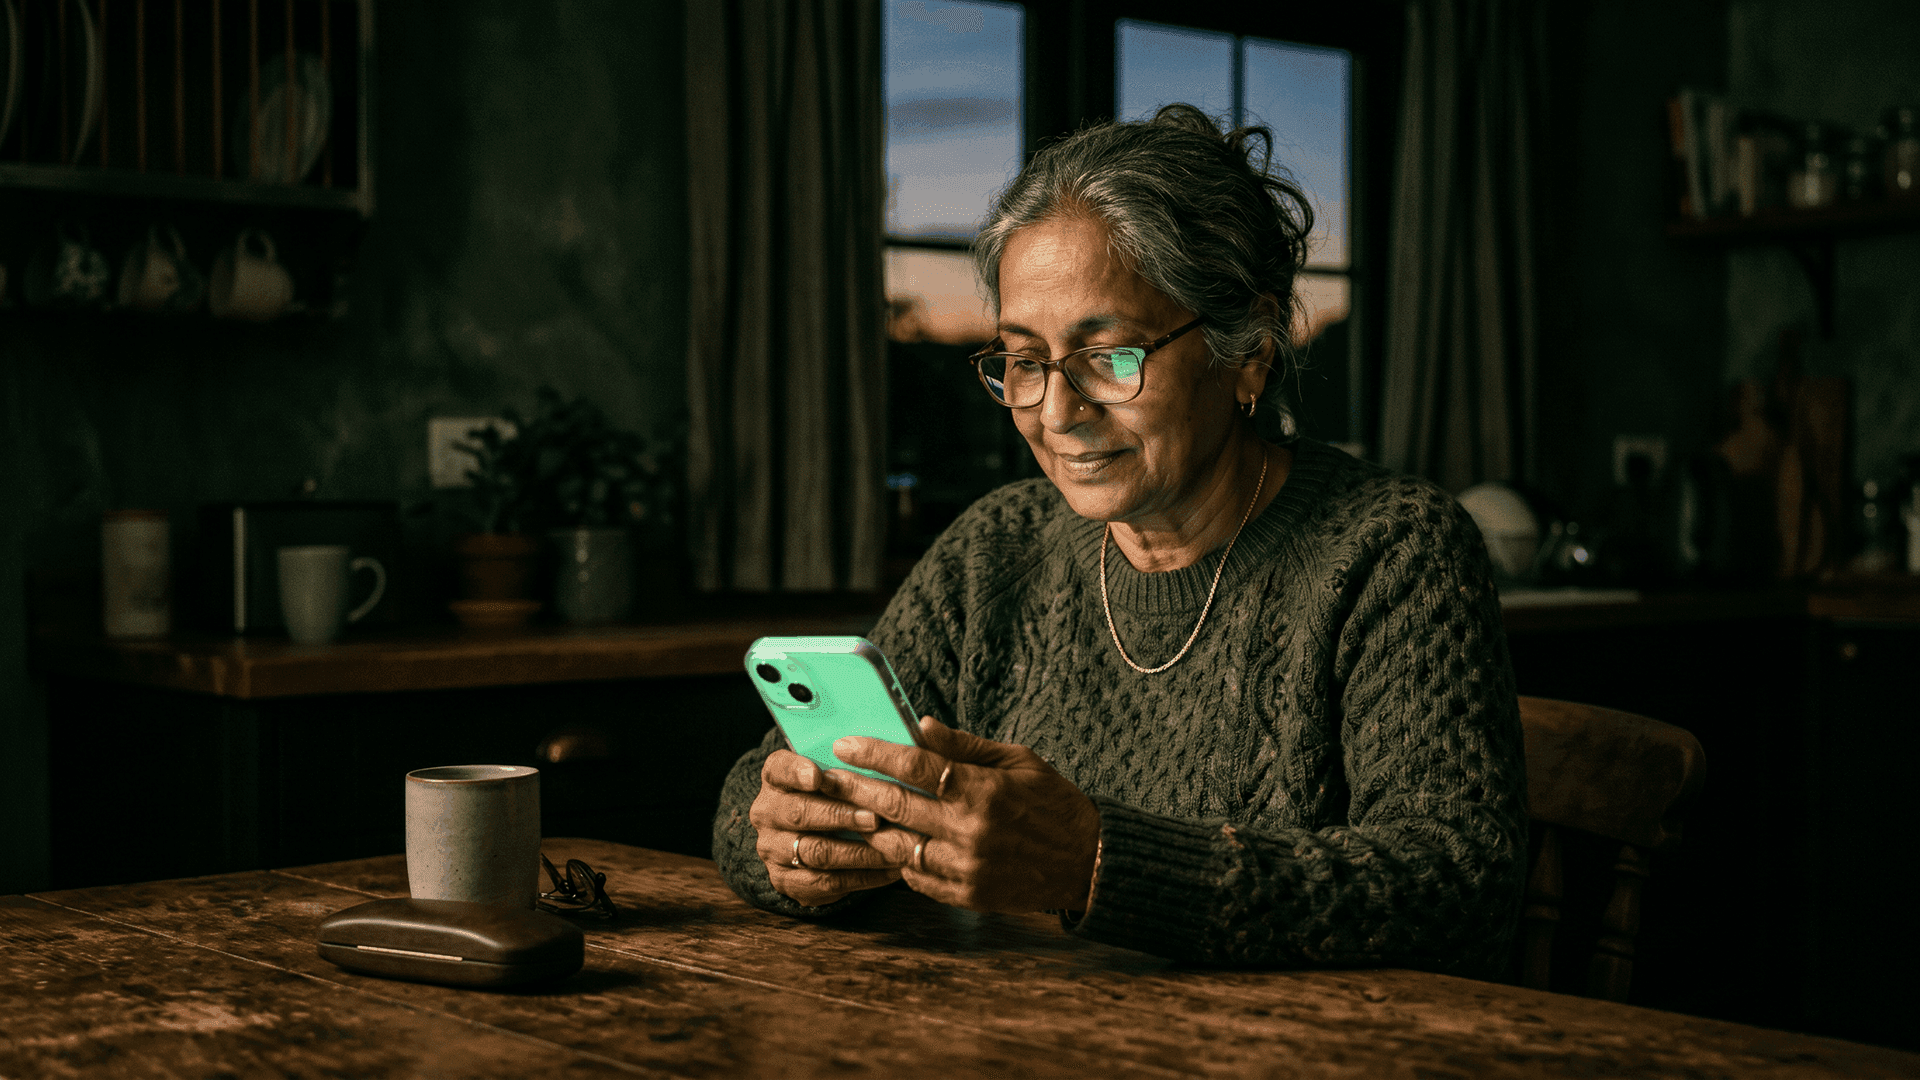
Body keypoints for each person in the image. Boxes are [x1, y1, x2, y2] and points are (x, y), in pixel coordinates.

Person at [712, 104, 1527, 975]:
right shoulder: (998, 547)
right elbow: (742, 804)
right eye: (1025, 361)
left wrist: (1096, 864)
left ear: (1247, 350)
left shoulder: (1394, 551)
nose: (1058, 412)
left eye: (1111, 355)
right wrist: (798, 847)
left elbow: (1457, 881)